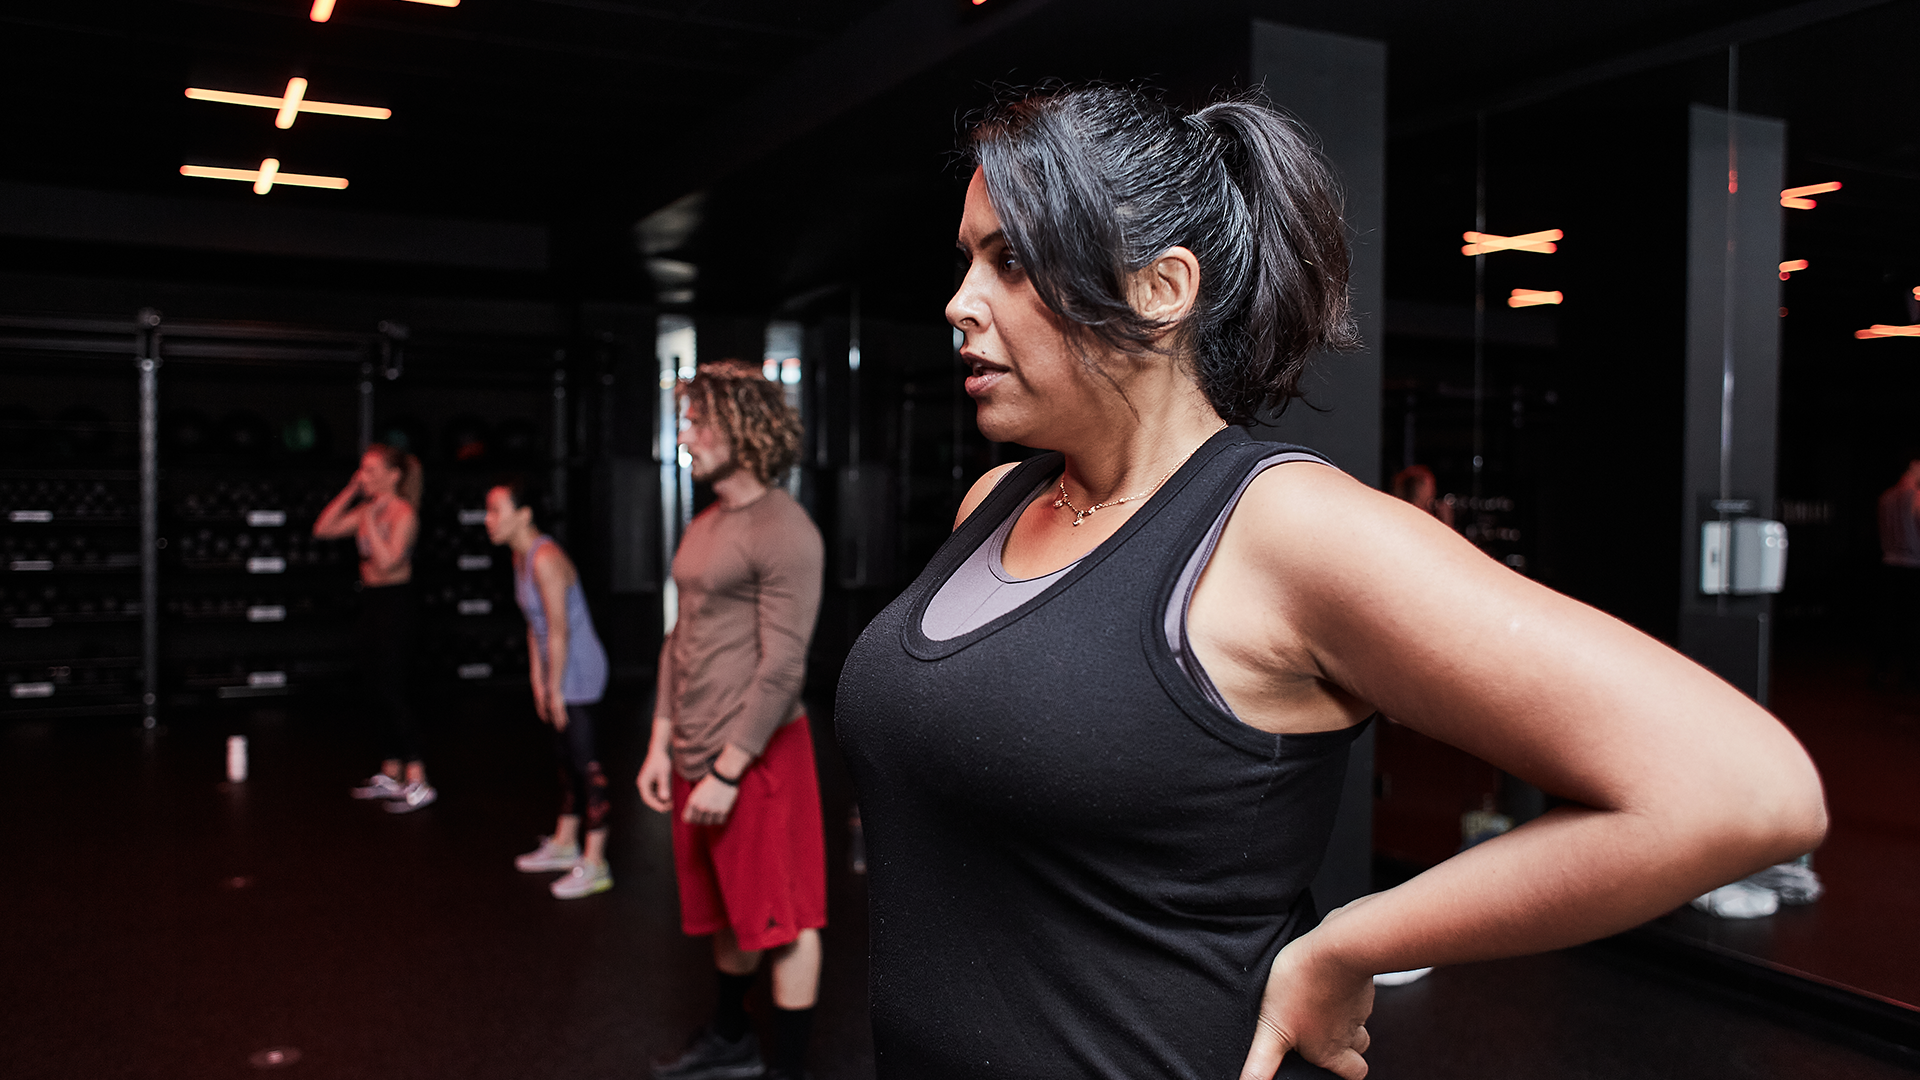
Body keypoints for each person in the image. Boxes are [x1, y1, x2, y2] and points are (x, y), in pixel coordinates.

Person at [831, 84, 1828, 1080]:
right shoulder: (998, 502)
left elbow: (1746, 790)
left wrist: (1355, 942)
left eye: (1008, 262)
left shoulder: (1281, 530)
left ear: (1161, 289)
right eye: (967, 259)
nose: (960, 303)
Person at [637, 361, 827, 1080]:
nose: (686, 436)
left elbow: (782, 668)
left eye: (697, 421)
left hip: (756, 759)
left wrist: (727, 768)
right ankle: (730, 1037)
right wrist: (660, 740)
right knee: (725, 908)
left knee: (786, 919)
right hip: (694, 750)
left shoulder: (785, 530)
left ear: (742, 429)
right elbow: (678, 638)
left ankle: (790, 1069)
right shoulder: (707, 522)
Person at [485, 477, 614, 899]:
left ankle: (596, 863)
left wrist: (556, 687)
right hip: (557, 668)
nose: (487, 520)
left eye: (495, 511)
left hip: (578, 666)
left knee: (586, 763)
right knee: (565, 757)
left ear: (524, 515)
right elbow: (532, 625)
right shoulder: (519, 557)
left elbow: (558, 631)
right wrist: (537, 680)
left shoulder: (545, 558)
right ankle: (565, 842)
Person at [314, 443, 436, 813]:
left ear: (392, 475)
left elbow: (387, 562)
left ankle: (418, 779)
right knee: (373, 687)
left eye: (369, 471)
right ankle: (391, 770)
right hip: (372, 603)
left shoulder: (404, 513)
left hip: (398, 604)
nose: (362, 476)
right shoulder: (368, 506)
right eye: (361, 471)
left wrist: (367, 519)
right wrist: (352, 493)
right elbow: (323, 528)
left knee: (393, 689)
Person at [1874, 456, 1920, 687]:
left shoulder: (1886, 496)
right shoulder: (1916, 497)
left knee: (1888, 621)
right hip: (1912, 567)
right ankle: (1910, 674)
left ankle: (1881, 671)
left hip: (1889, 564)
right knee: (1911, 623)